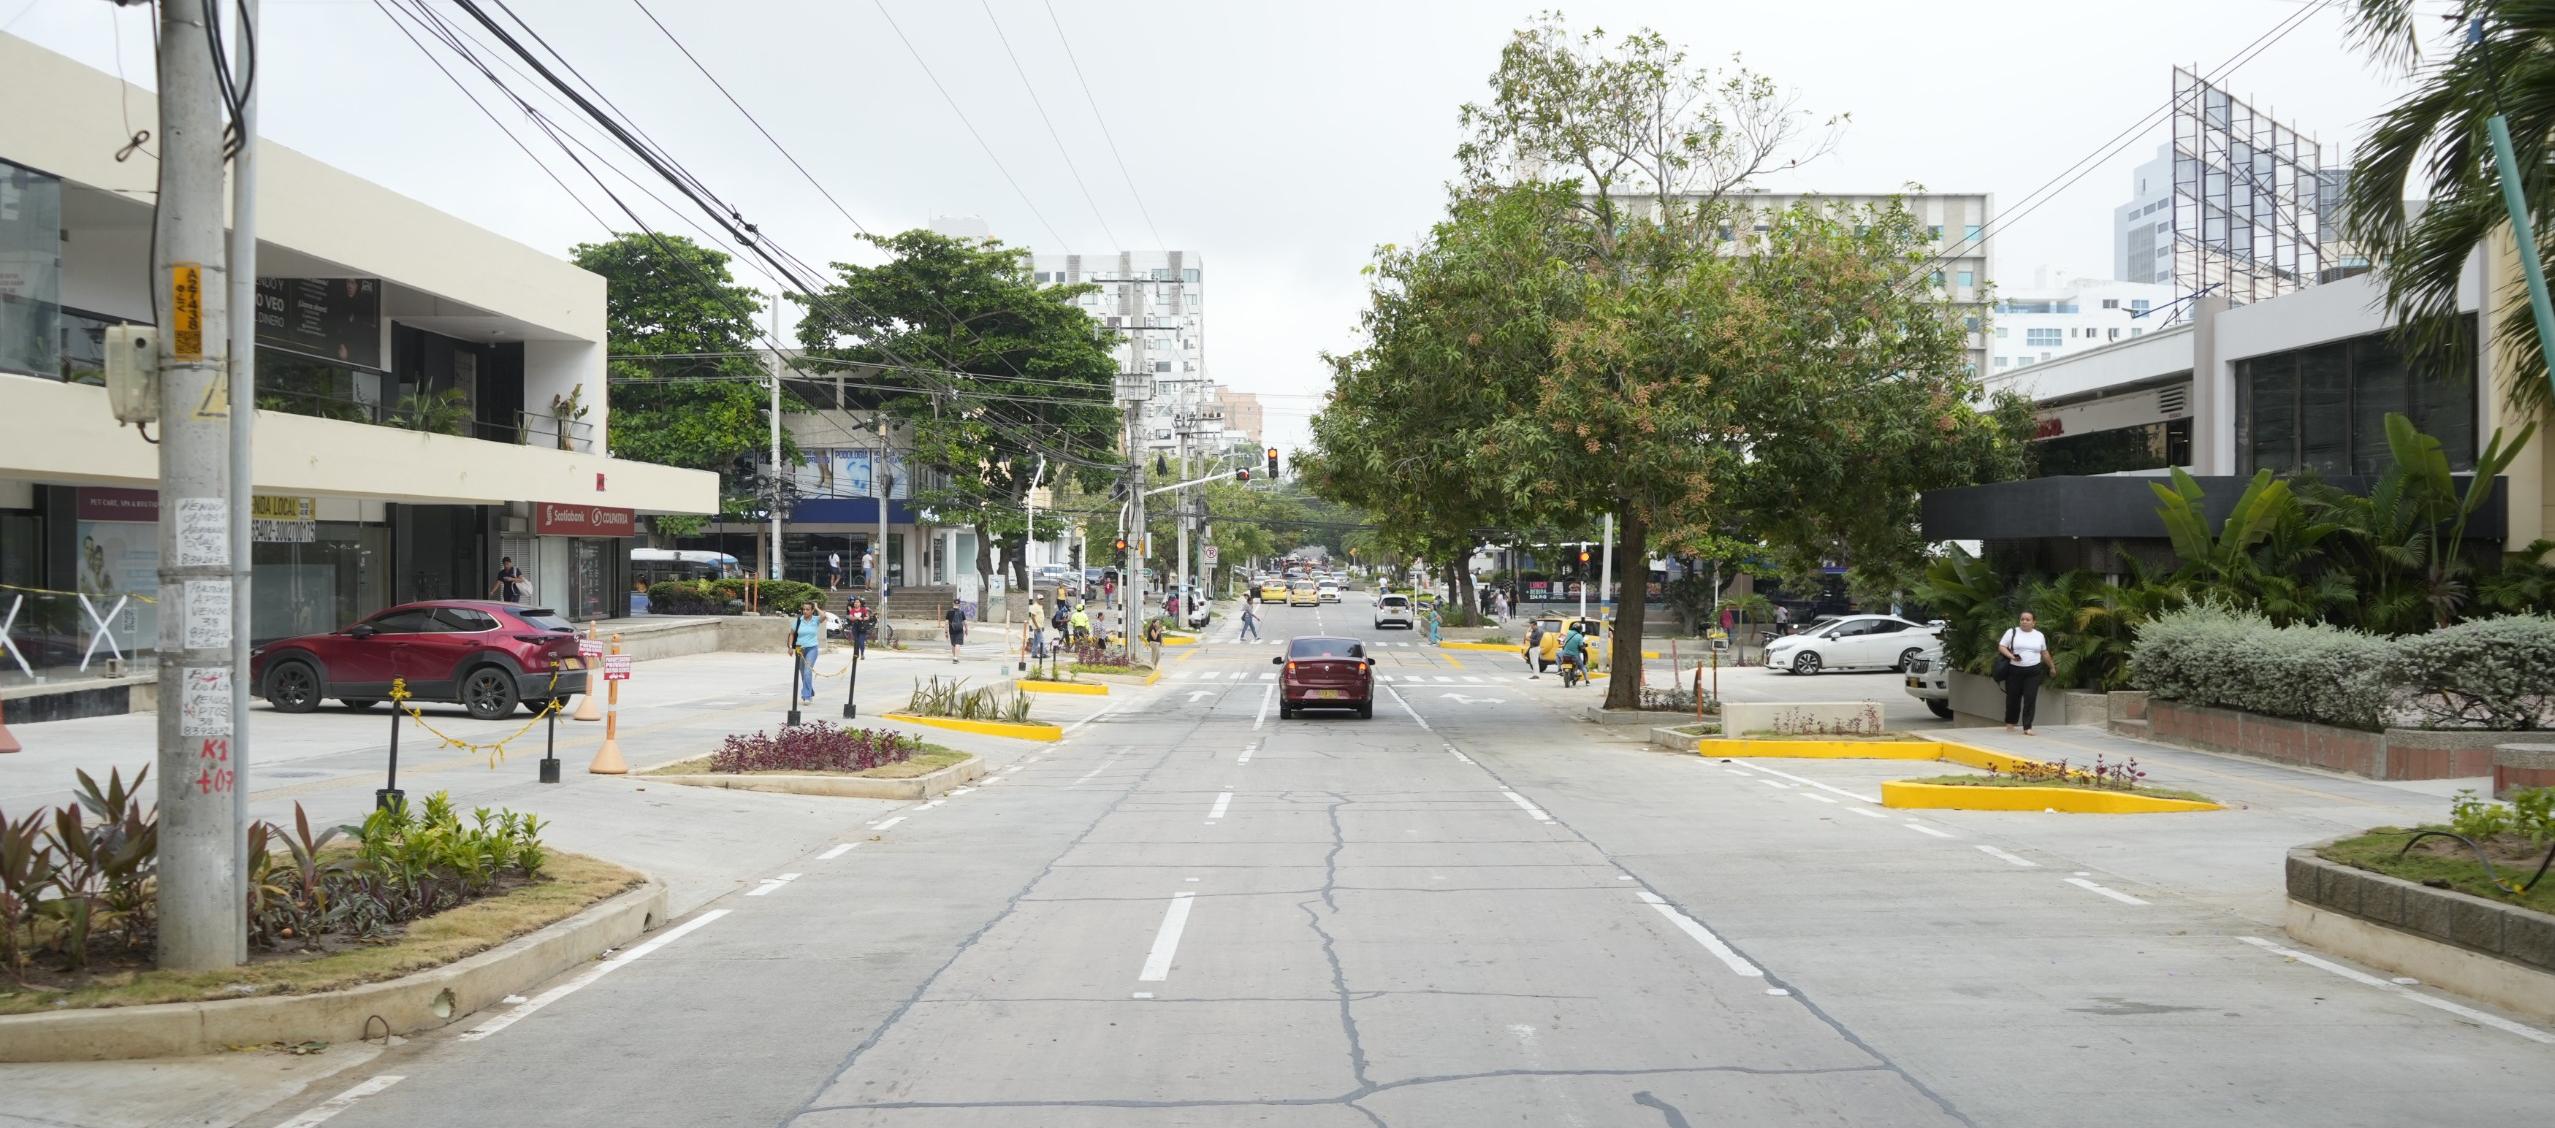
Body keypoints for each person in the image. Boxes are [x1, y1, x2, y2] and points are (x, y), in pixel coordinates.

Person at [1998, 610, 2051, 735]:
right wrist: (2011, 656)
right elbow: (2001, 646)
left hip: (2033, 671)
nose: (2024, 622)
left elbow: (2044, 652)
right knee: (2013, 698)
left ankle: (2027, 727)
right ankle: (2010, 723)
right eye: (2022, 619)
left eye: (2028, 619)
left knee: (2030, 698)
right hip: (2014, 670)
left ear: (2034, 622)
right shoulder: (2012, 632)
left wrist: (2052, 667)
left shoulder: (2039, 635)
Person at [791, 601, 824, 703]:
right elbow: (791, 634)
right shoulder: (798, 620)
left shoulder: (816, 620)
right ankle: (810, 691)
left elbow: (824, 615)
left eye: (807, 609)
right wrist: (790, 647)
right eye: (803, 609)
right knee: (802, 672)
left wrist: (817, 607)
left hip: (812, 648)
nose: (805, 611)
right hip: (799, 649)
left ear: (812, 610)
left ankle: (806, 696)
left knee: (807, 672)